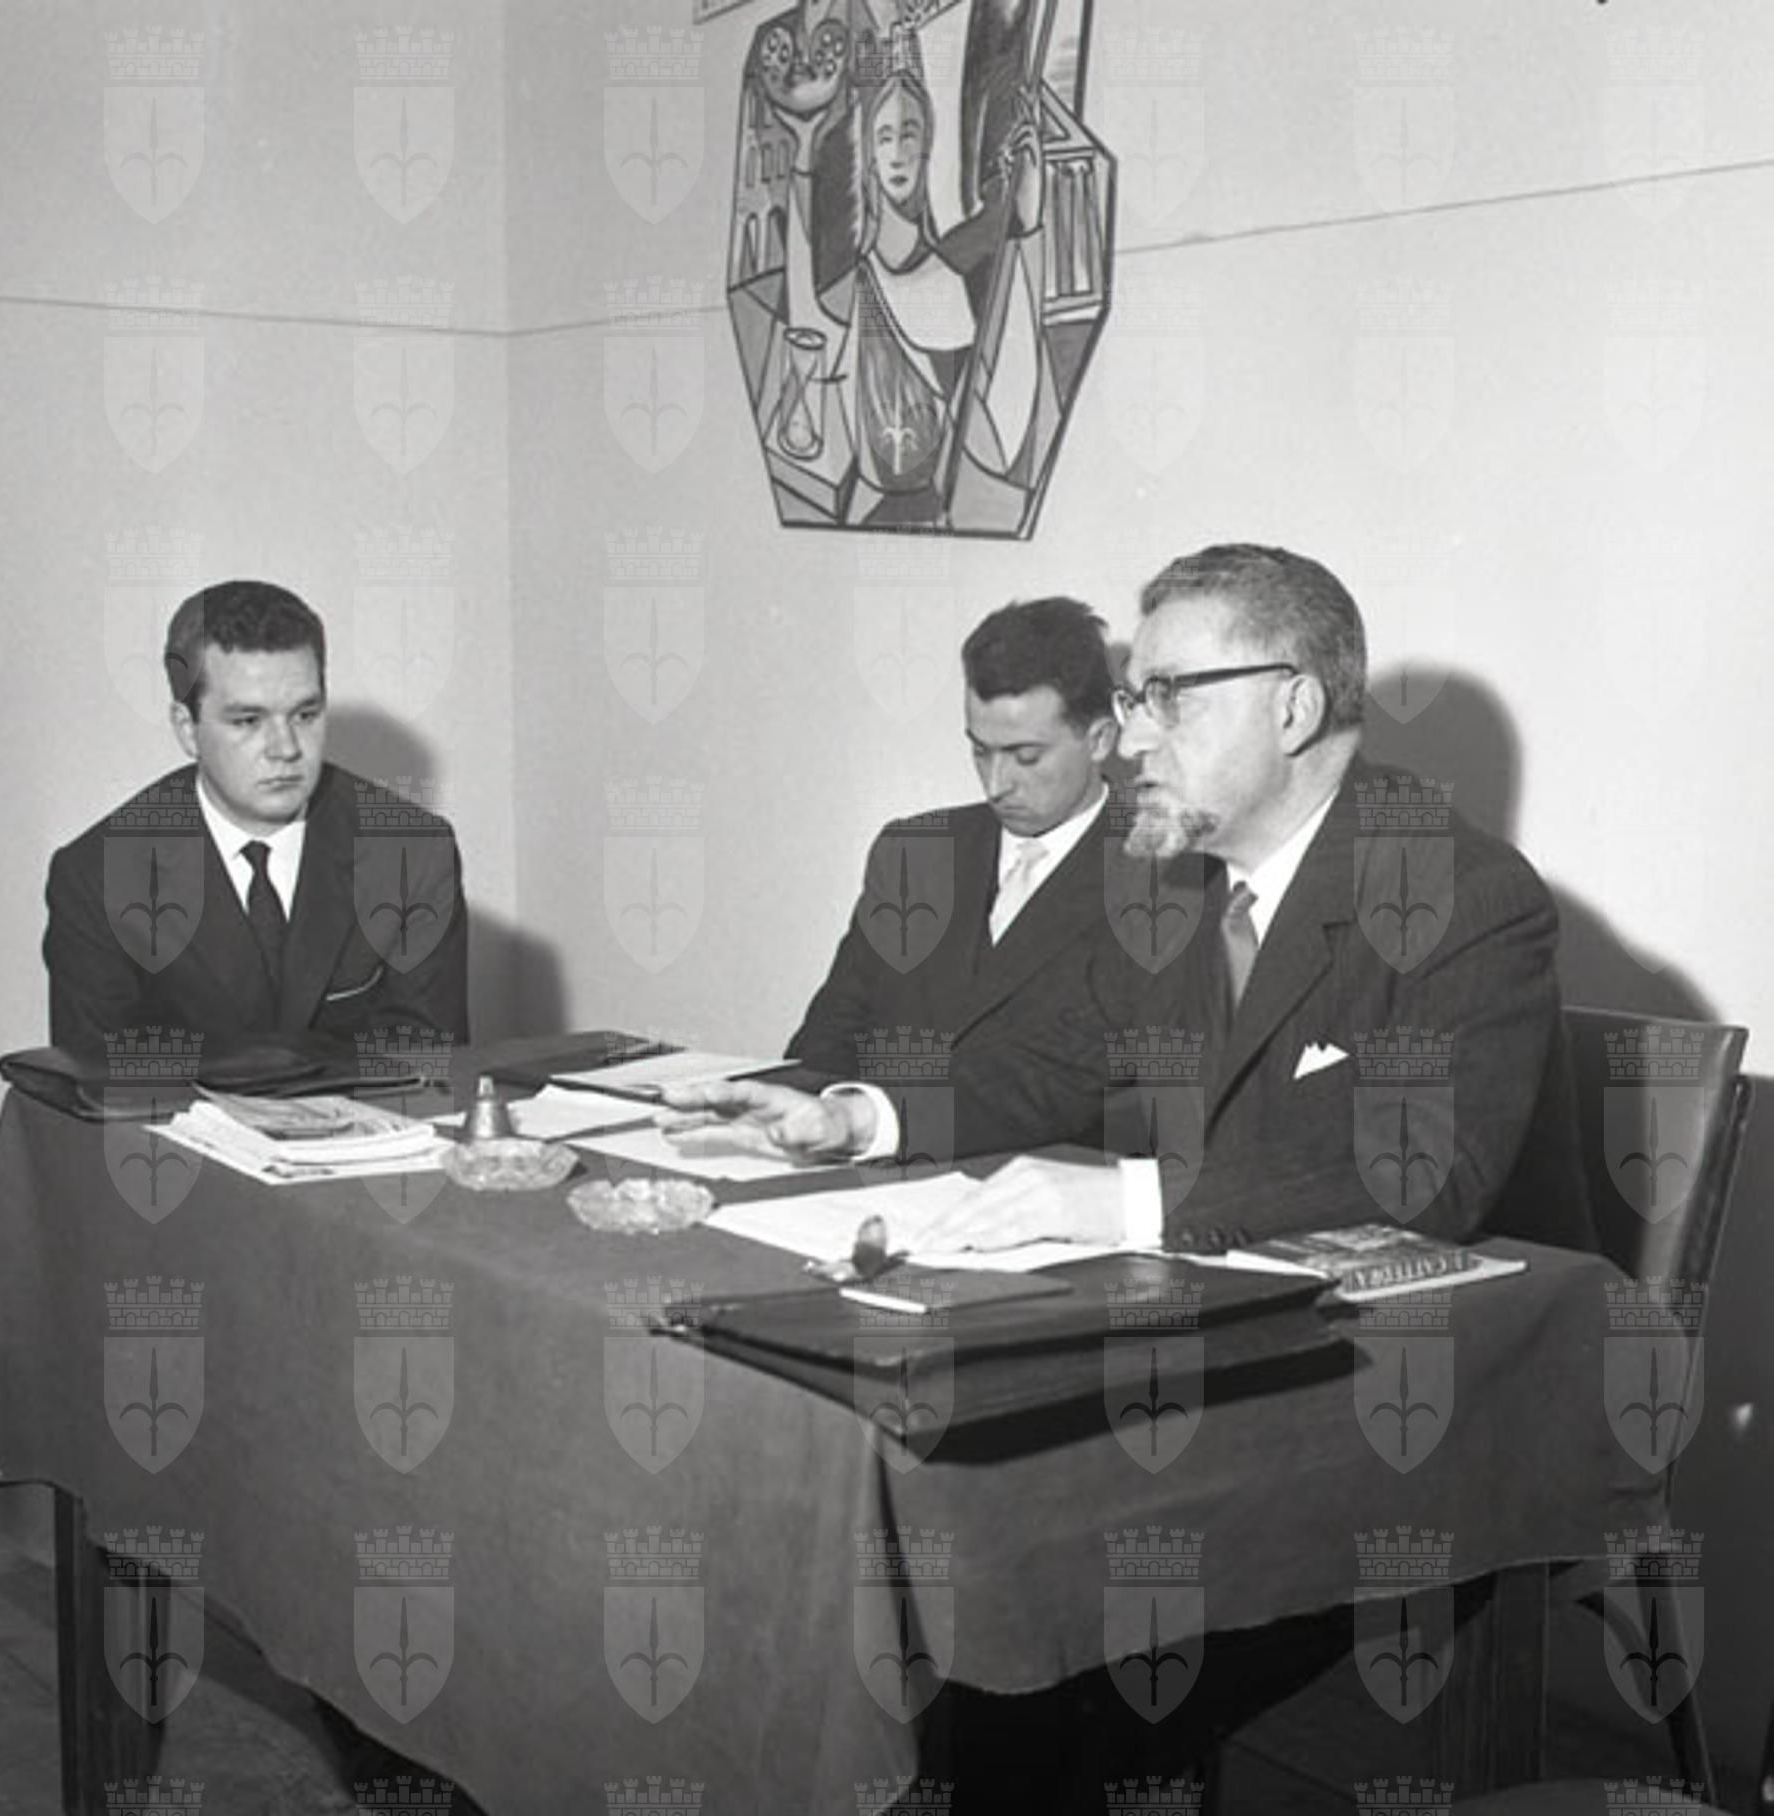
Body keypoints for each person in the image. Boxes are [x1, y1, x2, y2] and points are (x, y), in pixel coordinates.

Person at [673, 545, 1590, 1255]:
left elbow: (1425, 1170)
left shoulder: (1463, 894)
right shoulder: (1177, 884)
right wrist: (858, 1118)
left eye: (1168, 698)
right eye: (1132, 700)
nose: (1135, 740)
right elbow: (1057, 1069)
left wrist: (1124, 1201)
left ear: (1293, 710)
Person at [682, 596, 1148, 1163]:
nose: (997, 784)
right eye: (981, 752)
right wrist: (785, 1115)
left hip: (1044, 1188)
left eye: (1025, 756)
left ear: (1100, 739)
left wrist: (858, 1123)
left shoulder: (1163, 874)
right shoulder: (917, 851)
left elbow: (1067, 1084)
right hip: (865, 1178)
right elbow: (832, 1037)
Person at [44, 579, 468, 1055]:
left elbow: (428, 1067)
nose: (285, 749)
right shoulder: (97, 878)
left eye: (305, 715)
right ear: (187, 729)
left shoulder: (413, 853)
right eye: (248, 721)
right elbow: (101, 1081)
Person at [774, 61, 1048, 525]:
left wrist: (1029, 219)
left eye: (909, 135)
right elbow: (806, 310)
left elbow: (1008, 381)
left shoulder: (955, 271)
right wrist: (803, 156)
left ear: (926, 150)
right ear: (870, 156)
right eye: (884, 138)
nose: (898, 154)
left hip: (936, 499)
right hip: (869, 497)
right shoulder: (861, 279)